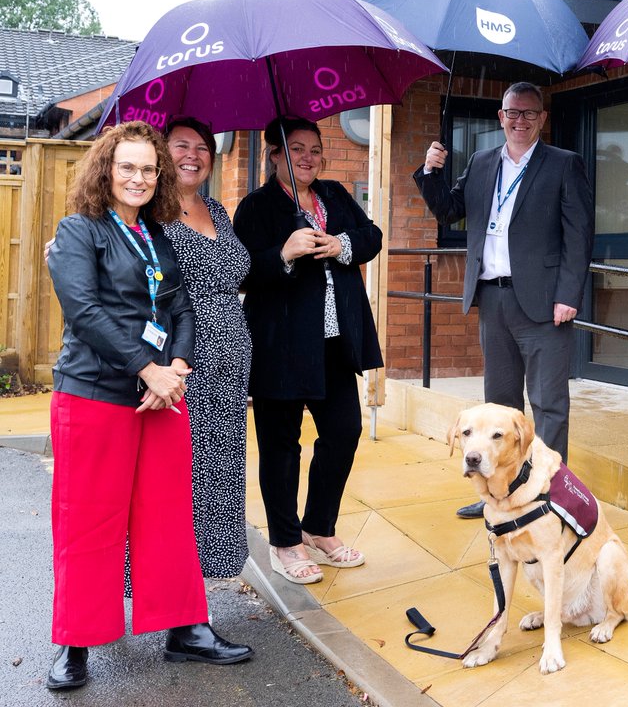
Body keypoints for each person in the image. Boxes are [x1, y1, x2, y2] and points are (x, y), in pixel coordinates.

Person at [45, 121, 252, 691]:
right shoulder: (78, 231)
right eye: (127, 167)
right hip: (95, 396)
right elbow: (85, 311)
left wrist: (177, 369)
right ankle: (75, 641)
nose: (138, 178)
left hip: (162, 396)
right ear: (106, 171)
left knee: (168, 518)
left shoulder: (158, 236)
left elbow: (183, 308)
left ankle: (185, 628)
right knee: (89, 523)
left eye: (147, 168)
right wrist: (147, 368)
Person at [414, 81, 595, 519]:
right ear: (501, 117)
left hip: (545, 303)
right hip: (492, 299)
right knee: (498, 407)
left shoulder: (563, 164)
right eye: (513, 112)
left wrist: (569, 294)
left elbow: (579, 236)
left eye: (530, 113)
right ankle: (496, 497)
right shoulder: (480, 162)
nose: (520, 120)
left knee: (548, 403)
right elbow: (449, 210)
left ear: (542, 119)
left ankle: (549, 498)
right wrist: (431, 171)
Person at [233, 117, 384, 584]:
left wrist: (342, 244)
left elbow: (372, 237)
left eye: (315, 149)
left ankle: (318, 527)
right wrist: (285, 252)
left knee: (344, 431)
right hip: (281, 347)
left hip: (336, 344)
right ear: (275, 154)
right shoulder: (256, 206)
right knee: (281, 446)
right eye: (295, 148)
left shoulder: (335, 195)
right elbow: (240, 270)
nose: (307, 157)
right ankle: (285, 541)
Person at [163, 117, 253, 579]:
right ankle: (173, 584)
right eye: (181, 145)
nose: (193, 155)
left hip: (229, 366)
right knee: (182, 476)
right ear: (163, 152)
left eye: (202, 147)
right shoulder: (150, 213)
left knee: (220, 476)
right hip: (181, 361)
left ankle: (202, 581)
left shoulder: (217, 210)